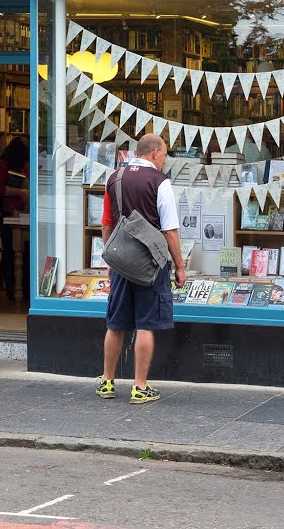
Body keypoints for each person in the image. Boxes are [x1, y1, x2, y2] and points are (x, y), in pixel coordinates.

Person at [96, 133, 186, 405]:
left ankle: (107, 381)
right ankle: (139, 387)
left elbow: (107, 223)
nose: (165, 159)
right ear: (155, 152)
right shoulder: (160, 182)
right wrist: (180, 267)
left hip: (122, 261)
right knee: (146, 324)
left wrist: (111, 258)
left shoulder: (115, 178)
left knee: (116, 324)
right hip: (151, 263)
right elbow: (169, 230)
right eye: (165, 154)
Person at [0, 136, 30, 301]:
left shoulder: (22, 166)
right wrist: (20, 192)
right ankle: (11, 288)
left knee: (25, 254)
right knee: (10, 252)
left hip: (23, 213)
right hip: (7, 214)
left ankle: (25, 288)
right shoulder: (1, 166)